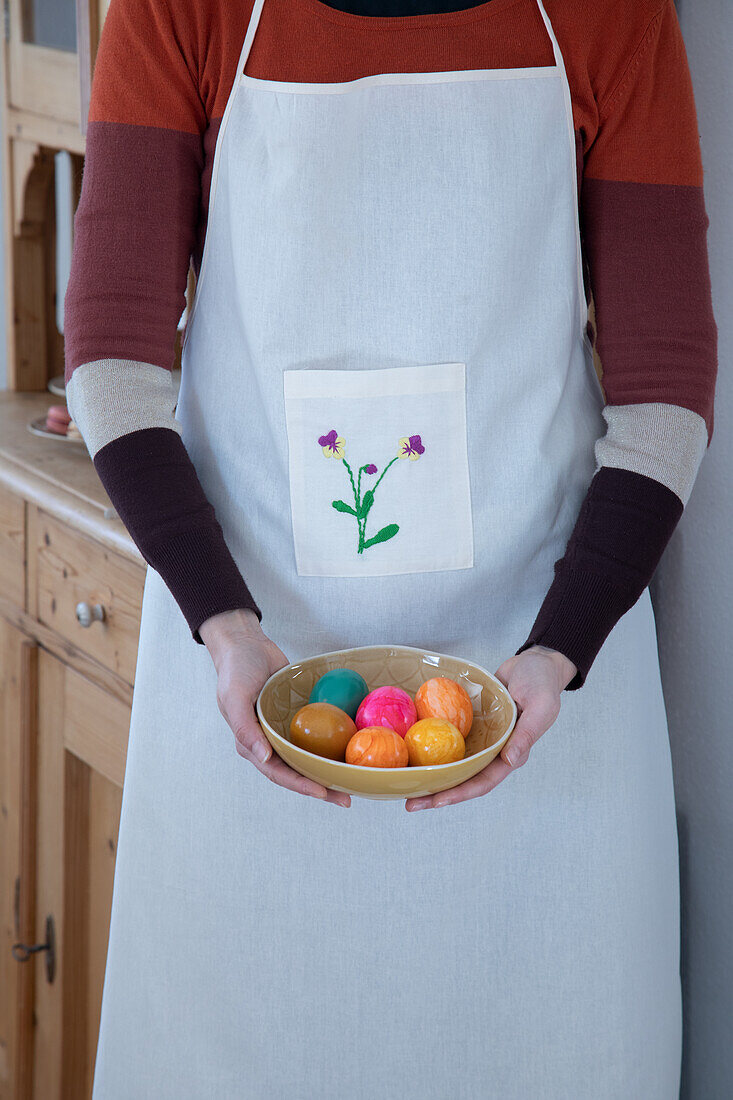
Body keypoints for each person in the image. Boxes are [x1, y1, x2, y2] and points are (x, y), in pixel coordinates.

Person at [63, 0, 718, 1095]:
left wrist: (555, 653)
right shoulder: (179, 10)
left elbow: (665, 396)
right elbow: (115, 360)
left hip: (550, 704)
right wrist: (225, 627)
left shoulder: (614, 15)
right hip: (246, 682)